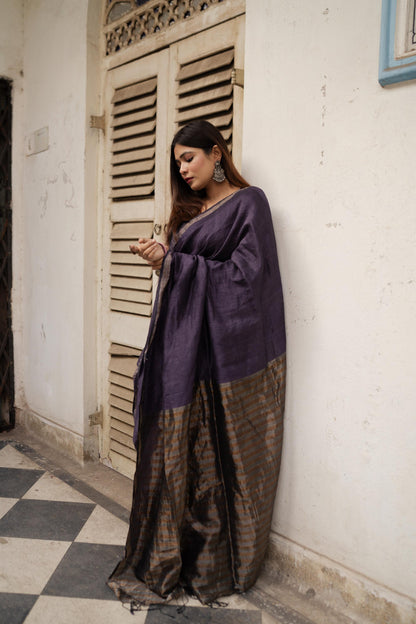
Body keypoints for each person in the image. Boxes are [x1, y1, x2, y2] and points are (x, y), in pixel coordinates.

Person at [108, 120, 286, 608]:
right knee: (176, 451)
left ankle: (214, 562)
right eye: (178, 163)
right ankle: (172, 553)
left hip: (221, 358)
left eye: (189, 158)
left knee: (216, 459)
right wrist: (162, 258)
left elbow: (248, 279)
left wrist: (175, 264)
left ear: (216, 153)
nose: (183, 170)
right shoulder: (186, 214)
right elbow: (180, 280)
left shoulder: (250, 204)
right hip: (180, 355)